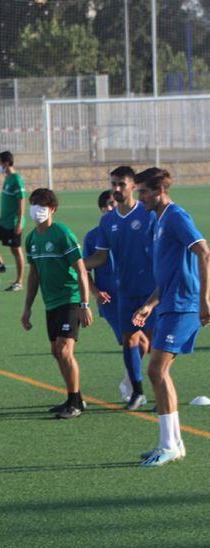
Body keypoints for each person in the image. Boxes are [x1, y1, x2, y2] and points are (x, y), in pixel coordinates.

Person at [132, 168, 210, 466]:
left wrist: (204, 300)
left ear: (159, 191)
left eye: (143, 192)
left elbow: (204, 252)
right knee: (159, 372)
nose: (140, 199)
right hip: (167, 305)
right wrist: (150, 304)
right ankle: (173, 443)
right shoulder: (158, 220)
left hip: (183, 305)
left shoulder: (176, 216)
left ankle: (168, 445)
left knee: (156, 370)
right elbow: (167, 272)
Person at [84, 166, 156, 410]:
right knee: (129, 340)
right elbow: (100, 258)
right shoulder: (108, 221)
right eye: (113, 183)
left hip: (152, 290)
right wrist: (76, 264)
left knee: (156, 343)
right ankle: (136, 391)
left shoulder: (149, 215)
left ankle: (162, 394)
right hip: (125, 291)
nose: (116, 189)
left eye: (121, 184)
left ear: (133, 186)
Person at [20, 188, 94, 420]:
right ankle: (75, 397)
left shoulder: (62, 233)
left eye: (42, 205)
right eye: (33, 204)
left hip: (70, 299)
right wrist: (27, 307)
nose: (36, 210)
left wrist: (84, 304)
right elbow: (34, 275)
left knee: (64, 349)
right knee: (56, 352)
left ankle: (75, 403)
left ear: (52, 209)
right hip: (50, 303)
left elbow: (81, 271)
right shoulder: (31, 239)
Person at [84, 191, 128, 379]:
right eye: (109, 204)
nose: (112, 208)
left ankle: (132, 383)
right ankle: (132, 384)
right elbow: (83, 270)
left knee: (144, 342)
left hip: (135, 295)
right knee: (129, 342)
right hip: (110, 300)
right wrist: (95, 293)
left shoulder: (129, 231)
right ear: (102, 209)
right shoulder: (92, 237)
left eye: (115, 204)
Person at [0, 151, 27, 291]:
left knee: (16, 250)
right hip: (3, 221)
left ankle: (19, 282)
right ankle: (0, 264)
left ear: (6, 163)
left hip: (13, 222)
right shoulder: (7, 178)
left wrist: (19, 222)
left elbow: (21, 201)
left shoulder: (16, 179)